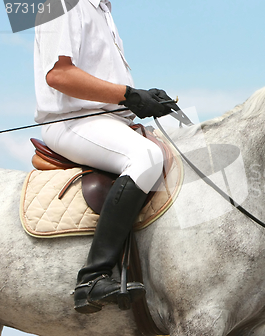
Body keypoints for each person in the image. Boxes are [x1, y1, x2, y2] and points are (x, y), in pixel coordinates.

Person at [34, 0, 171, 314]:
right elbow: (59, 75)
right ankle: (93, 278)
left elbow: (102, 83)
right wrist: (128, 95)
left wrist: (141, 100)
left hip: (108, 120)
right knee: (146, 158)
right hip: (71, 123)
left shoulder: (102, 9)